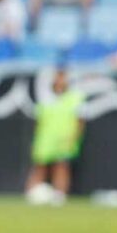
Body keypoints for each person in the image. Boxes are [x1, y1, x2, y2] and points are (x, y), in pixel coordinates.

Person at [25, 68, 85, 206]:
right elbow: (39, 121)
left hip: (64, 139)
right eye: (58, 77)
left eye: (63, 77)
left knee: (62, 166)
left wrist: (75, 138)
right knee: (40, 166)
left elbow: (80, 122)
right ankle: (32, 193)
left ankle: (60, 195)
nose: (60, 80)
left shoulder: (76, 97)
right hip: (45, 139)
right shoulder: (45, 98)